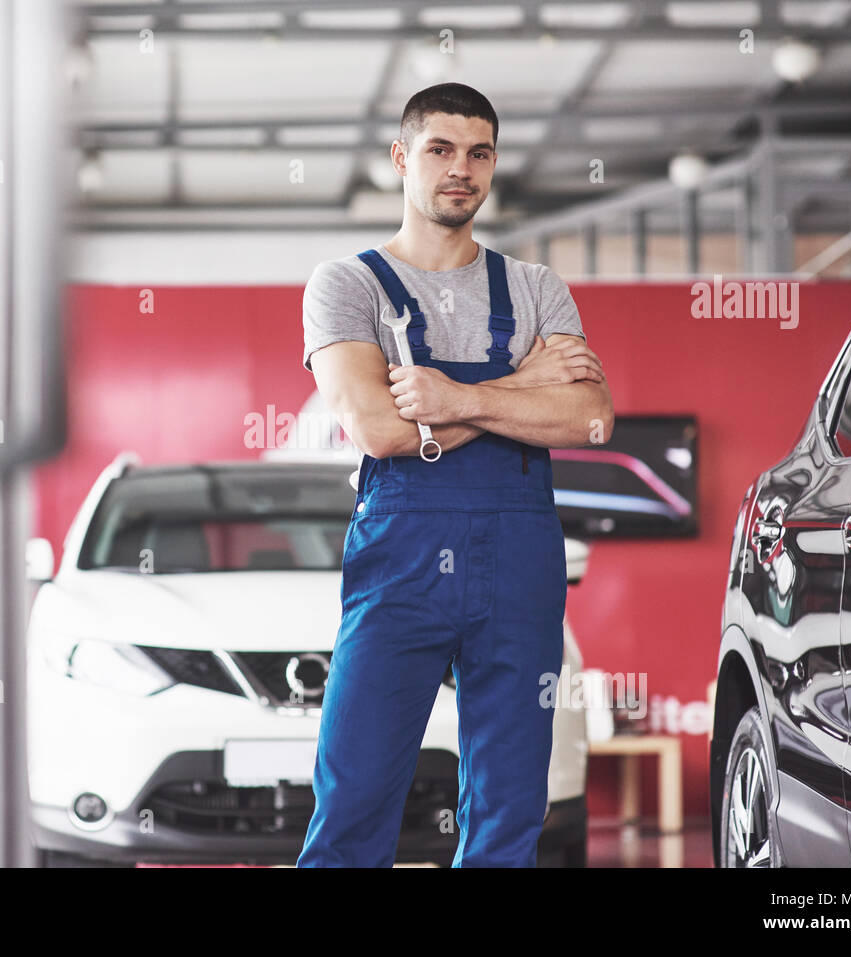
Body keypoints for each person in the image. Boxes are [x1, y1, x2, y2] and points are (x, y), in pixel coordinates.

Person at [296, 82, 614, 867]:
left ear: (494, 165)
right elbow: (377, 427)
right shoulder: (347, 285)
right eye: (440, 149)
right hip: (400, 562)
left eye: (478, 153)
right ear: (402, 158)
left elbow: (591, 418)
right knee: (354, 791)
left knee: (510, 805)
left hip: (520, 564)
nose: (459, 169)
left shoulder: (537, 287)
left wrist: (451, 399)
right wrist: (524, 387)